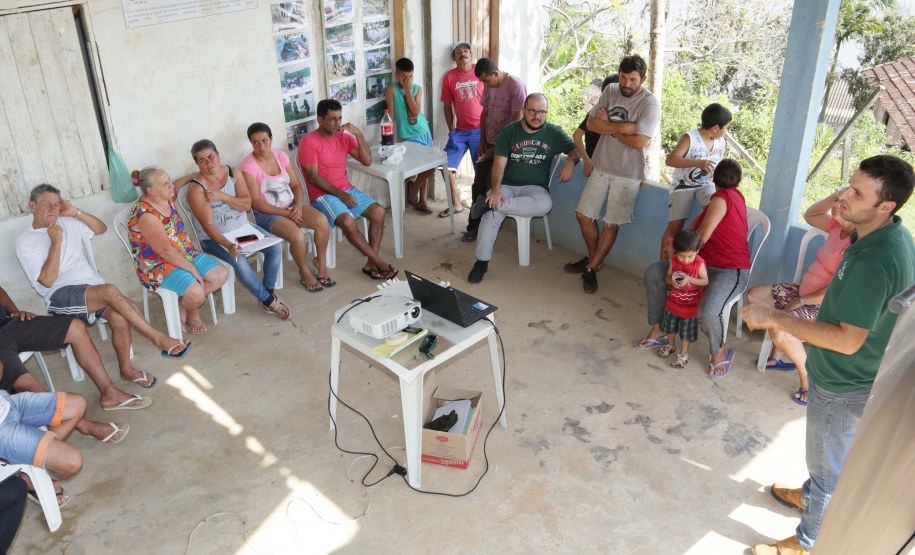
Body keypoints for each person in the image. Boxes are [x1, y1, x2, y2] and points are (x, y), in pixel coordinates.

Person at [740, 155, 915, 555]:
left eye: (857, 192)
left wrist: (775, 318)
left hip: (844, 380)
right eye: (848, 185)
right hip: (853, 374)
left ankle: (807, 543)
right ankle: (810, 494)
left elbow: (847, 340)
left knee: (828, 468)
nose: (845, 196)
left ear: (885, 205)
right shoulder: (882, 233)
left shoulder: (877, 258)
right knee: (826, 458)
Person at [16, 186, 189, 388]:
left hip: (92, 289)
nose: (54, 209)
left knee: (120, 315)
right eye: (47, 205)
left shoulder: (66, 221)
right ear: (32, 206)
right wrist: (55, 242)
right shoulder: (25, 241)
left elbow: (101, 228)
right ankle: (158, 338)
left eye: (56, 204)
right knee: (109, 291)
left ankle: (126, 370)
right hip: (60, 295)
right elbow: (46, 281)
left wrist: (75, 212)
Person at [636, 159, 750, 377]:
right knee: (654, 273)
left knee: (708, 312)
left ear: (713, 179)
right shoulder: (713, 204)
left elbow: (702, 237)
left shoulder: (722, 198)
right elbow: (690, 232)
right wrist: (673, 250)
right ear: (740, 181)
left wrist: (677, 256)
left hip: (730, 270)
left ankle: (719, 351)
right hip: (700, 264)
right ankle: (661, 327)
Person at [745, 191, 854, 404]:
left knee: (779, 327)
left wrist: (800, 302)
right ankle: (780, 353)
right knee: (754, 296)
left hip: (822, 304)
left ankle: (807, 379)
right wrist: (835, 195)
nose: (836, 206)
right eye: (836, 202)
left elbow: (836, 289)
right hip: (803, 290)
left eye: (843, 203)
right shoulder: (836, 227)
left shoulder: (854, 244)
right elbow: (811, 214)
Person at [563, 54, 661, 294]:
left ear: (643, 79)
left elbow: (639, 144)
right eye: (624, 77)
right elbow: (593, 125)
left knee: (612, 224)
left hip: (629, 173)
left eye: (633, 80)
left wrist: (611, 129)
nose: (627, 84)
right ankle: (594, 262)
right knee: (584, 215)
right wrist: (626, 128)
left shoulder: (650, 103)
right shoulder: (611, 90)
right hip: (602, 165)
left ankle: (591, 267)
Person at [0, 284, 145, 441]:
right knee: (25, 382)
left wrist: (13, 311)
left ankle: (109, 392)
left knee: (75, 327)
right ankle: (83, 425)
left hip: (8, 324)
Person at [467, 93, 579, 283]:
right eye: (532, 111)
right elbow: (499, 164)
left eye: (542, 112)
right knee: (491, 216)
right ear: (524, 111)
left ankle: (488, 204)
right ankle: (481, 261)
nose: (537, 116)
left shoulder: (554, 132)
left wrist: (571, 162)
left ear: (547, 112)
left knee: (544, 205)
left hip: (535, 189)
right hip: (507, 185)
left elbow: (575, 150)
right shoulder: (509, 131)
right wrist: (495, 190)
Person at [178, 140, 290, 319]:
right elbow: (208, 226)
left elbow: (247, 205)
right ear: (197, 164)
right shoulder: (196, 189)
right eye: (202, 161)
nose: (208, 163)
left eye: (211, 156)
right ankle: (269, 301)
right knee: (241, 261)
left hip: (243, 229)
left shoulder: (233, 173)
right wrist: (228, 245)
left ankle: (266, 293)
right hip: (214, 238)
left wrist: (222, 196)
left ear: (218, 154)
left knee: (275, 247)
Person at [300, 99, 398, 280]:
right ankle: (379, 261)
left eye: (340, 118)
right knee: (347, 221)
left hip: (346, 190)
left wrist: (358, 133)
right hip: (323, 196)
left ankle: (371, 264)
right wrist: (341, 195)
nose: (338, 123)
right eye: (332, 119)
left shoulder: (343, 137)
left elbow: (367, 160)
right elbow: (313, 177)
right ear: (320, 120)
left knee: (378, 211)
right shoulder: (308, 142)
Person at [127, 167, 228, 335]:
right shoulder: (146, 215)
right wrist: (192, 269)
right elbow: (164, 251)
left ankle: (183, 304)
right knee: (195, 292)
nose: (170, 185)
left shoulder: (165, 196)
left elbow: (176, 185)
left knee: (220, 274)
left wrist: (193, 175)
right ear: (150, 191)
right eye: (165, 183)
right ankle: (192, 314)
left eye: (168, 179)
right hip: (158, 265)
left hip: (185, 253)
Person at [241, 122, 331, 292]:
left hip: (291, 205)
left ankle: (321, 263)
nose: (261, 146)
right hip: (267, 214)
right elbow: (255, 203)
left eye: (264, 140)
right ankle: (304, 271)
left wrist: (297, 206)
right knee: (297, 236)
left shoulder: (281, 157)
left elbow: (296, 185)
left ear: (271, 139)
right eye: (255, 142)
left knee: (322, 221)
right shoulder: (248, 166)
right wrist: (286, 214)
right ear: (251, 143)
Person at [461, 57, 527, 243]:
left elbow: (516, 125)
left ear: (495, 74)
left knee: (493, 186)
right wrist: (482, 141)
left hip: (506, 146)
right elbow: (484, 114)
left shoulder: (515, 86)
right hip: (489, 143)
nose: (484, 84)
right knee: (478, 185)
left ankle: (487, 229)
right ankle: (472, 227)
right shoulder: (489, 86)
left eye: (485, 80)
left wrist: (498, 149)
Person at [661, 103, 731, 259]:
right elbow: (671, 160)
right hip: (683, 186)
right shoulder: (689, 138)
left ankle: (693, 263)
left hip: (705, 185)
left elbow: (718, 164)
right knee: (675, 226)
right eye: (725, 128)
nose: (726, 131)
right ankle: (662, 266)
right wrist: (697, 163)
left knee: (715, 214)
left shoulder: (721, 142)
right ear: (715, 128)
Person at [0, 387, 85, 508]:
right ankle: (50, 478)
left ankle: (40, 463)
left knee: (76, 404)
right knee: (72, 462)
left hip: (6, 405)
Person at [385, 57, 437, 214]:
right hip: (408, 135)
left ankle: (422, 200)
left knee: (429, 166)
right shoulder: (391, 89)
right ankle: (412, 188)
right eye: (404, 77)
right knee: (428, 167)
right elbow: (391, 115)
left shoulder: (417, 89)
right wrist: (390, 139)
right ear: (396, 75)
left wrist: (408, 90)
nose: (407, 80)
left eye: (410, 77)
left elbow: (416, 112)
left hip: (423, 130)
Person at [439, 41, 484, 218]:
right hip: (460, 131)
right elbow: (447, 107)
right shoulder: (449, 77)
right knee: (445, 166)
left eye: (466, 51)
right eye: (458, 52)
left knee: (481, 170)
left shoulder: (480, 73)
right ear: (453, 58)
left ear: (471, 55)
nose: (463, 53)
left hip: (480, 131)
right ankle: (455, 204)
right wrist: (452, 130)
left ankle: (479, 209)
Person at [653, 229, 709, 368]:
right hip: (673, 303)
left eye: (690, 256)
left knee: (686, 332)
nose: (685, 260)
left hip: (690, 307)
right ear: (676, 252)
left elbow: (705, 281)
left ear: (697, 251)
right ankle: (670, 345)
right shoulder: (673, 260)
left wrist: (689, 278)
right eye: (682, 256)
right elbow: (667, 277)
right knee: (670, 327)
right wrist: (671, 281)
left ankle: (683, 354)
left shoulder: (699, 263)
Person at [572, 74, 618, 178]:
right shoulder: (595, 112)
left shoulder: (619, 115)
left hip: (611, 168)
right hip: (597, 168)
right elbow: (576, 136)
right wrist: (587, 161)